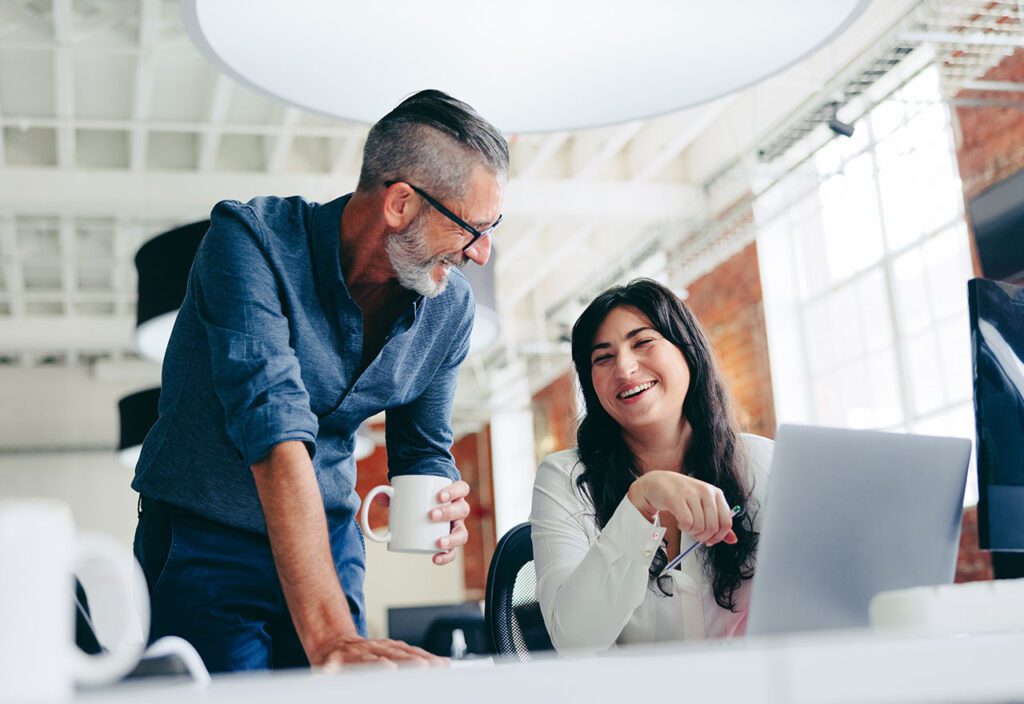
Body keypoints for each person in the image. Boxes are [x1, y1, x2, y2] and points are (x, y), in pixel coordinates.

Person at [131, 90, 508, 672]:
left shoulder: (449, 308)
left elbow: (423, 448)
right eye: (471, 227)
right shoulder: (248, 241)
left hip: (331, 544)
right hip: (205, 538)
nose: (482, 254)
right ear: (400, 204)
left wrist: (439, 501)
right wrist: (331, 637)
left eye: (492, 227)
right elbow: (273, 431)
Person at [530, 278, 773, 652]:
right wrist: (641, 503)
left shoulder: (761, 463)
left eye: (643, 342)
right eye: (603, 357)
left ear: (687, 350)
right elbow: (575, 640)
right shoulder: (564, 478)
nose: (625, 368)